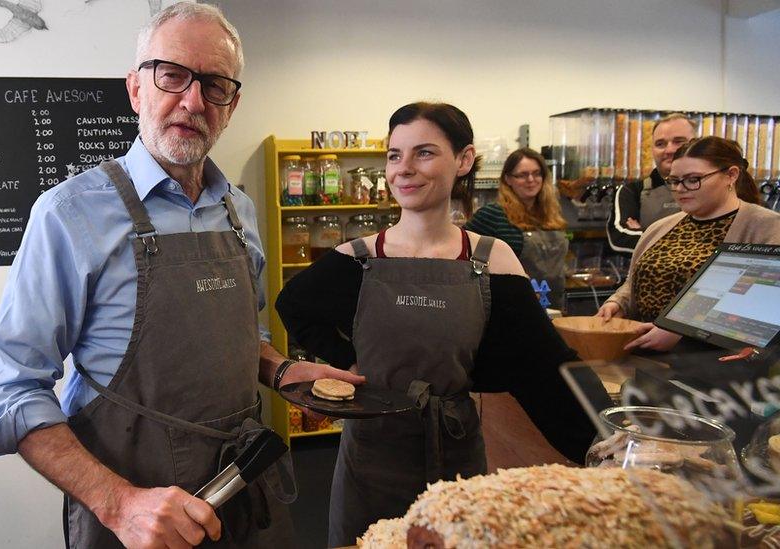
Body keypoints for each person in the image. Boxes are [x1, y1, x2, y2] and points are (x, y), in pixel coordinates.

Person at [0, 3, 361, 548]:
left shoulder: (239, 211)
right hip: (135, 515)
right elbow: (12, 391)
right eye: (172, 75)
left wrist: (279, 370)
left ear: (232, 104)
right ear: (136, 89)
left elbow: (238, 337)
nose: (193, 101)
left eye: (215, 84)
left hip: (246, 492)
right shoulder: (69, 214)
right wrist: (119, 504)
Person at [275, 102, 601, 547]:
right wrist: (353, 365)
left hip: (455, 454)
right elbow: (292, 306)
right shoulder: (358, 259)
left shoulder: (489, 259)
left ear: (463, 160)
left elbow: (544, 365)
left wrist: (610, 440)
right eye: (394, 155)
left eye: (424, 153)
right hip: (371, 457)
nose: (404, 169)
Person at [598, 136, 780, 351]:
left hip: (717, 366)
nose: (680, 189)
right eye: (674, 181)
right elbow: (634, 282)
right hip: (647, 356)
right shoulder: (661, 228)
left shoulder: (766, 227)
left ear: (731, 175)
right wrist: (618, 303)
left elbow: (763, 308)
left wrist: (681, 331)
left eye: (693, 179)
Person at [464, 148, 568, 308]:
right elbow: (463, 252)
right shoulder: (493, 215)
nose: (531, 179)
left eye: (537, 173)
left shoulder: (552, 215)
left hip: (553, 305)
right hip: (510, 306)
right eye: (522, 175)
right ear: (508, 179)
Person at [606, 113, 698, 254]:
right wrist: (690, 244)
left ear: (696, 144)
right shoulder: (632, 191)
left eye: (679, 141)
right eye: (660, 144)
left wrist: (644, 233)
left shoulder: (712, 188)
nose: (669, 150)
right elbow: (620, 238)